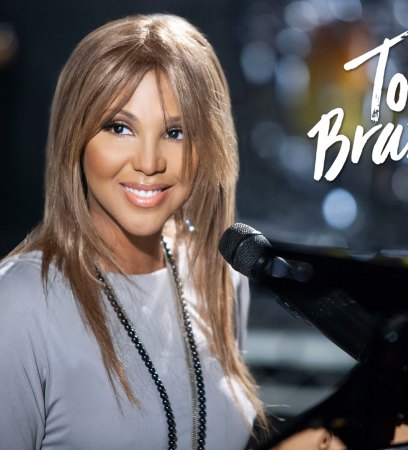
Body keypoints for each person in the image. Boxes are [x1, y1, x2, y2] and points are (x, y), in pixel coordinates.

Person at [0, 14, 265, 449]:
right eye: (119, 128)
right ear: (75, 137)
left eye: (176, 132)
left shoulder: (219, 276)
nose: (149, 162)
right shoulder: (19, 304)